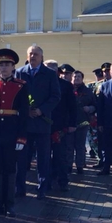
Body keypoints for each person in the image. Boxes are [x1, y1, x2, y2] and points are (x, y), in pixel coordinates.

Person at [0, 49, 29, 216]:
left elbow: (24, 113)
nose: (4, 68)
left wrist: (21, 137)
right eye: (1, 64)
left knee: (10, 168)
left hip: (12, 130)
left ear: (13, 67)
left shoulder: (20, 86)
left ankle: (9, 204)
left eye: (7, 64)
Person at [15, 45, 61, 199]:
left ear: (42, 57)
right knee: (22, 158)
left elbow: (55, 96)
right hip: (25, 123)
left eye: (36, 54)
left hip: (42, 123)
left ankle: (42, 188)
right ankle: (19, 188)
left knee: (43, 158)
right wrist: (25, 109)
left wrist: (41, 110)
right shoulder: (20, 72)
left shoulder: (49, 74)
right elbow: (15, 95)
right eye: (30, 54)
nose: (33, 56)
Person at [46, 60, 77, 191]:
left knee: (60, 156)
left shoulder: (65, 86)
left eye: (51, 70)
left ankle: (63, 182)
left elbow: (72, 106)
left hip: (60, 126)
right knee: (45, 156)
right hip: (44, 125)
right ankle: (46, 181)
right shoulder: (42, 84)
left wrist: (72, 124)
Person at [69, 70, 96, 174]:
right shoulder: (68, 89)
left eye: (79, 77)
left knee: (80, 146)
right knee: (69, 145)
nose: (76, 78)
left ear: (82, 78)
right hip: (69, 122)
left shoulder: (88, 91)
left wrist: (89, 108)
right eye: (75, 77)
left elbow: (95, 105)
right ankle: (68, 165)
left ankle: (80, 166)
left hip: (82, 122)